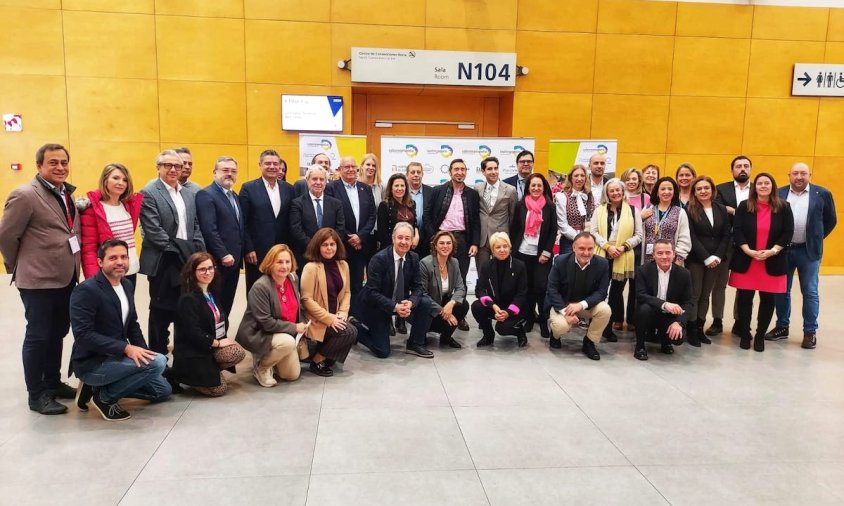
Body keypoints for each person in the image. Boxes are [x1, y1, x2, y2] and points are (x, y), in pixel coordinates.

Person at [0, 143, 81, 414]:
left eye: (64, 162)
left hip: (66, 276)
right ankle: (36, 395)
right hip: (38, 281)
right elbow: (6, 235)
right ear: (39, 166)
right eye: (53, 163)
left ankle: (53, 382)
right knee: (38, 335)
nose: (60, 167)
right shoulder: (25, 194)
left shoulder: (65, 193)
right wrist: (19, 265)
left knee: (57, 332)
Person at [69, 240, 171, 420]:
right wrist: (126, 348)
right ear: (100, 262)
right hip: (92, 362)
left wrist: (145, 352)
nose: (120, 262)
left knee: (163, 390)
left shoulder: (126, 285)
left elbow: (132, 324)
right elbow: (83, 335)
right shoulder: (86, 290)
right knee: (158, 363)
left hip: (117, 358)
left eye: (124, 257)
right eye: (113, 258)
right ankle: (104, 397)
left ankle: (94, 389)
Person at [139, 150, 205, 356]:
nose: (174, 169)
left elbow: (195, 225)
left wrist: (197, 252)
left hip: (188, 260)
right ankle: (158, 360)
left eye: (177, 166)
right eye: (168, 165)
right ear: (158, 167)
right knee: (161, 314)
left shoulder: (188, 193)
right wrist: (183, 251)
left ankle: (183, 361)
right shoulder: (149, 192)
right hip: (164, 261)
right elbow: (153, 232)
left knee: (185, 311)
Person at [767, 163, 837, 349]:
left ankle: (810, 331)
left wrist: (815, 237)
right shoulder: (779, 193)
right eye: (795, 173)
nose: (799, 176)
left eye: (803, 173)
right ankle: (782, 326)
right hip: (784, 250)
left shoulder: (822, 194)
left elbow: (831, 220)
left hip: (809, 251)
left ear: (810, 175)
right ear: (789, 175)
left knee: (810, 292)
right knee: (782, 290)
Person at [729, 173, 793, 352]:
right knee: (744, 299)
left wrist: (773, 251)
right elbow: (738, 230)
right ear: (754, 187)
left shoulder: (784, 207)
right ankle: (744, 333)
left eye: (767, 183)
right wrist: (748, 251)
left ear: (772, 186)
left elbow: (788, 232)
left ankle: (759, 336)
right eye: (759, 183)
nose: (763, 186)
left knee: (768, 299)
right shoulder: (744, 206)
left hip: (772, 260)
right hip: (747, 259)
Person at [353, 222, 434, 359]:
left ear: (412, 240)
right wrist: (395, 306)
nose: (403, 242)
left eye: (407, 238)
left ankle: (415, 343)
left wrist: (410, 303)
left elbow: (418, 287)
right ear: (393, 239)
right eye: (400, 237)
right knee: (382, 351)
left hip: (399, 302)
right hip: (376, 306)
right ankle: (355, 328)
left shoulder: (413, 258)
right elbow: (372, 293)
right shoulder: (379, 259)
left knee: (425, 302)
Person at [173, 252, 246, 396]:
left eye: (211, 268)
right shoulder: (188, 299)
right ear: (192, 272)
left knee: (236, 352)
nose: (208, 272)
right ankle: (184, 377)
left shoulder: (211, 292)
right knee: (219, 390)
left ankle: (211, 371)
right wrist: (217, 343)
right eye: (202, 269)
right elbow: (193, 333)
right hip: (193, 353)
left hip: (208, 348)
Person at [236, 244, 308, 387]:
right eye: (279, 262)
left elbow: (297, 308)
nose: (284, 266)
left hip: (284, 332)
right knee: (287, 342)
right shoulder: (261, 287)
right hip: (261, 333)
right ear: (270, 263)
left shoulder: (293, 278)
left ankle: (274, 359)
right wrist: (294, 328)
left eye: (287, 262)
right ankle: (261, 367)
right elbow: (266, 323)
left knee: (291, 375)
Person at [425, 158, 480, 331]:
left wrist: (475, 242)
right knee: (436, 278)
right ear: (450, 172)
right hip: (440, 237)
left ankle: (459, 316)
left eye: (463, 169)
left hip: (462, 239)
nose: (460, 172)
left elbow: (476, 221)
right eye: (456, 169)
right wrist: (434, 237)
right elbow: (427, 216)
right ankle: (435, 312)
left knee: (460, 278)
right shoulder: (438, 191)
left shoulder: (472, 194)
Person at [300, 228, 358, 377]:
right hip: (317, 319)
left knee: (348, 331)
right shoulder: (311, 267)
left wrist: (343, 312)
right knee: (350, 332)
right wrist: (329, 318)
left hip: (335, 315)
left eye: (332, 244)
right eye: (325, 244)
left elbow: (347, 292)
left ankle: (322, 354)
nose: (329, 248)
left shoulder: (343, 265)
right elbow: (306, 300)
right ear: (317, 246)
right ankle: (317, 361)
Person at [589, 178, 643, 341]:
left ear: (623, 191)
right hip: (602, 254)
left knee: (615, 293)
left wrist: (623, 247)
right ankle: (595, 325)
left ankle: (609, 326)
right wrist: (608, 247)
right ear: (607, 193)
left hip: (623, 255)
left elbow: (639, 235)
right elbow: (594, 231)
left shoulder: (633, 211)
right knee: (599, 291)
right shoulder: (599, 211)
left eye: (618, 190)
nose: (615, 193)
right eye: (611, 190)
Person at [546, 232, 611, 361]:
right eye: (582, 248)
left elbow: (602, 292)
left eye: (590, 249)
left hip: (586, 305)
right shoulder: (560, 261)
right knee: (561, 326)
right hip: (563, 304)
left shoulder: (602, 264)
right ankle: (555, 335)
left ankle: (589, 342)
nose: (586, 253)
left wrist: (581, 305)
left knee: (605, 310)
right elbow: (552, 290)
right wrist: (565, 312)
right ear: (573, 247)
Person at [708, 155, 753, 337]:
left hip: (748, 245)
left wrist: (733, 211)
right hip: (724, 243)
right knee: (719, 284)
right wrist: (743, 213)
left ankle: (740, 322)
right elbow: (718, 212)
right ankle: (717, 320)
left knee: (744, 285)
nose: (742, 169)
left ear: (750, 169)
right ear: (732, 170)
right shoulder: (720, 189)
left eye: (746, 166)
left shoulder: (757, 191)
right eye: (738, 166)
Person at [239, 150, 295, 294]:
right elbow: (242, 222)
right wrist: (248, 248)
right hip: (257, 252)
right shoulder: (248, 188)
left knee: (279, 289)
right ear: (260, 165)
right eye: (268, 163)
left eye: (275, 164)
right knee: (256, 290)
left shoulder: (288, 188)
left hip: (282, 251)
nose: (272, 167)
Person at [196, 156, 244, 316]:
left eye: (233, 171)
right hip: (218, 261)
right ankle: (215, 338)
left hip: (234, 261)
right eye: (225, 170)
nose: (229, 174)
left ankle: (222, 335)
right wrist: (223, 254)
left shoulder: (233, 196)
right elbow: (209, 229)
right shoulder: (206, 194)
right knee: (215, 303)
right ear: (214, 172)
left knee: (227, 302)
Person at [80, 163, 143, 284]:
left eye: (125, 180)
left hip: (130, 269)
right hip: (109, 273)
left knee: (128, 303)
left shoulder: (128, 205)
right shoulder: (93, 209)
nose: (121, 183)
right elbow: (89, 249)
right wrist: (94, 280)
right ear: (105, 180)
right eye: (116, 178)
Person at [510, 173, 557, 338]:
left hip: (541, 255)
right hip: (522, 253)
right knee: (526, 288)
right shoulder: (520, 205)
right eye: (533, 185)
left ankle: (544, 321)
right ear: (528, 187)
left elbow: (552, 231)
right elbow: (515, 228)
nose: (536, 188)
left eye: (539, 185)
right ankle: (528, 318)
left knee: (541, 288)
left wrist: (547, 252)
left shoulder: (550, 206)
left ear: (544, 188)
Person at [685, 176, 730, 346]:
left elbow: (726, 234)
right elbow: (691, 236)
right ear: (694, 193)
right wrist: (706, 256)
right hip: (697, 259)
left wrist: (717, 255)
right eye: (699, 189)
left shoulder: (720, 209)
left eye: (706, 188)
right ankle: (691, 330)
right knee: (695, 295)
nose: (703, 191)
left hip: (716, 260)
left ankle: (699, 328)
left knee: (706, 295)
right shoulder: (689, 209)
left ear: (712, 190)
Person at [325, 155, 377, 302]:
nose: (350, 170)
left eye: (353, 167)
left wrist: (360, 236)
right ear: (340, 170)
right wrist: (350, 237)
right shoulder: (331, 188)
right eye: (346, 167)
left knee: (357, 284)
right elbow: (332, 217)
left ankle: (356, 316)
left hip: (361, 245)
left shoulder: (365, 188)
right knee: (339, 283)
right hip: (341, 244)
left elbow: (372, 215)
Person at [633, 240, 693, 361]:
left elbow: (689, 302)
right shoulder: (643, 270)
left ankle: (665, 341)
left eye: (668, 253)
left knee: (679, 338)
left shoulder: (684, 274)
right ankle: (640, 346)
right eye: (660, 253)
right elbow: (641, 295)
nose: (664, 256)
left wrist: (679, 323)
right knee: (644, 308)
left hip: (669, 317)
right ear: (653, 255)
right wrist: (664, 304)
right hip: (650, 313)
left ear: (674, 254)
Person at [472, 232, 529, 347]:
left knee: (502, 329)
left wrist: (508, 312)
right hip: (496, 306)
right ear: (492, 250)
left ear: (510, 247)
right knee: (476, 306)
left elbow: (522, 294)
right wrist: (493, 306)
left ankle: (520, 332)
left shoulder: (519, 266)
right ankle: (488, 335)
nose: (502, 250)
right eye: (498, 247)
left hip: (514, 308)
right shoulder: (486, 266)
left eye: (505, 246)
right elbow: (480, 290)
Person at [290, 165, 346, 270]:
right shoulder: (297, 204)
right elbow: (296, 230)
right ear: (307, 181)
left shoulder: (336, 204)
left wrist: (327, 246)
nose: (318, 182)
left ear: (326, 182)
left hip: (331, 256)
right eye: (314, 179)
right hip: (306, 256)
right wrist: (316, 247)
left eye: (322, 179)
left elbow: (340, 229)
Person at [420, 231, 470, 349]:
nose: (445, 246)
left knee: (463, 304)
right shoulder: (425, 263)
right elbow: (422, 293)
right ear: (435, 246)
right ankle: (422, 333)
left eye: (448, 243)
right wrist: (443, 311)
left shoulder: (454, 262)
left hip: (444, 302)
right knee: (424, 303)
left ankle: (446, 337)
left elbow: (461, 288)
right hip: (428, 305)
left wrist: (451, 304)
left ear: (453, 245)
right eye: (441, 243)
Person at [474, 156, 517, 277]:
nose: (493, 172)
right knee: (482, 272)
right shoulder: (477, 188)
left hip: (501, 237)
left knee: (503, 272)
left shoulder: (510, 190)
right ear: (483, 171)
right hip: (483, 239)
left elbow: (512, 215)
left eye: (496, 168)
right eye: (489, 169)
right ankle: (483, 296)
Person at [641, 177, 691, 266]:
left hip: (670, 261)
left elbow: (684, 239)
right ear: (657, 192)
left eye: (670, 189)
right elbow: (637, 232)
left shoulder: (680, 212)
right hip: (647, 260)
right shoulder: (647, 209)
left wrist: (678, 261)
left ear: (674, 192)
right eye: (663, 189)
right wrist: (640, 218)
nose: (666, 192)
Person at [555, 164, 594, 255]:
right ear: (570, 178)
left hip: (589, 240)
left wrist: (588, 238)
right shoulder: (562, 197)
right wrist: (579, 238)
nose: (579, 179)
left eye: (582, 175)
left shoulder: (591, 196)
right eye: (576, 176)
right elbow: (562, 223)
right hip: (569, 241)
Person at [377, 173, 418, 251]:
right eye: (396, 186)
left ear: (406, 188)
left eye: (402, 185)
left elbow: (415, 224)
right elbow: (382, 234)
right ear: (391, 188)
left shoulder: (412, 204)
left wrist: (416, 236)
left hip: (409, 247)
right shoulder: (384, 205)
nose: (400, 188)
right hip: (391, 248)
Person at [406, 161, 433, 258]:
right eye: (413, 172)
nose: (416, 175)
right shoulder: (401, 192)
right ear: (407, 175)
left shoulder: (431, 192)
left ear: (422, 174)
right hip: (406, 239)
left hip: (427, 240)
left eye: (418, 172)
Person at [360, 153, 384, 257]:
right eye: (368, 164)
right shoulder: (355, 185)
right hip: (359, 232)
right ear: (362, 166)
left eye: (374, 165)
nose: (371, 168)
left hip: (376, 232)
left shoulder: (381, 186)